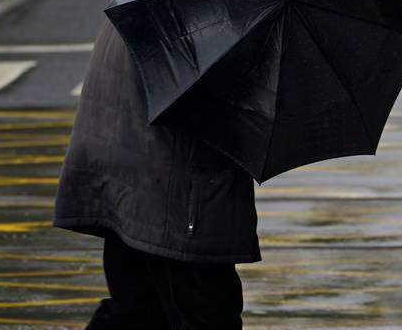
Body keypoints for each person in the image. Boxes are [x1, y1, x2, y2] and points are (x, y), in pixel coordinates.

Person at [54, 19, 259, 329]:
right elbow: (215, 100)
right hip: (176, 196)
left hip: (132, 184)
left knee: (137, 311)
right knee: (204, 313)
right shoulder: (206, 14)